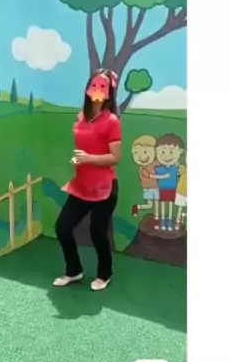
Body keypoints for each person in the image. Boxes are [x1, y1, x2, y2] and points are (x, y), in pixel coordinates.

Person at [54, 68, 122, 291]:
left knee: (97, 232)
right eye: (94, 85)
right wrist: (78, 160)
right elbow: (83, 149)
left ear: (109, 92)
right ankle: (74, 270)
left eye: (103, 86)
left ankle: (105, 274)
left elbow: (116, 157)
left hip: (105, 187)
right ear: (87, 89)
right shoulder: (81, 118)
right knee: (63, 227)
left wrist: (90, 158)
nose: (98, 89)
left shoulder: (112, 121)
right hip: (82, 185)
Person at [154, 134, 185, 231]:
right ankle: (163, 223)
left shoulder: (176, 168)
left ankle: (170, 223)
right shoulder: (159, 168)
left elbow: (181, 174)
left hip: (172, 189)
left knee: (171, 207)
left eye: (171, 151)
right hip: (162, 189)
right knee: (163, 206)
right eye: (163, 151)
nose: (167, 156)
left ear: (180, 151)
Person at [131, 135, 160, 219]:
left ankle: (156, 217)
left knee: (156, 202)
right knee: (150, 205)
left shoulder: (155, 163)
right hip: (148, 188)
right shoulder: (143, 169)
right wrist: (163, 176)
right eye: (136, 152)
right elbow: (152, 176)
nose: (141, 156)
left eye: (145, 151)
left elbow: (163, 165)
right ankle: (138, 207)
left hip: (156, 187)